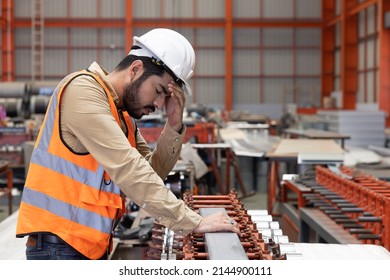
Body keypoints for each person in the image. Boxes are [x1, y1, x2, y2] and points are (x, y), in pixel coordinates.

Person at [15, 28, 240, 260]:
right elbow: (129, 169)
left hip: (85, 246)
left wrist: (173, 126)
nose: (160, 105)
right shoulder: (83, 91)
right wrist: (191, 221)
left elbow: (151, 174)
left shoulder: (122, 116)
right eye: (159, 91)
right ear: (135, 70)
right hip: (58, 248)